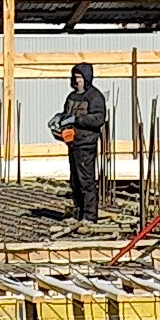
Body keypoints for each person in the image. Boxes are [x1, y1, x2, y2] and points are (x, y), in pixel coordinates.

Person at [50, 60, 110, 226]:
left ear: (87, 78)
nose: (77, 80)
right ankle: (78, 212)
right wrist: (60, 119)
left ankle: (89, 216)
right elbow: (67, 114)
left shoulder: (95, 96)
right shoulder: (72, 97)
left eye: (80, 77)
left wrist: (78, 119)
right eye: (75, 77)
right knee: (75, 181)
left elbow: (98, 118)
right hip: (73, 142)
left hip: (86, 143)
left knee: (86, 180)